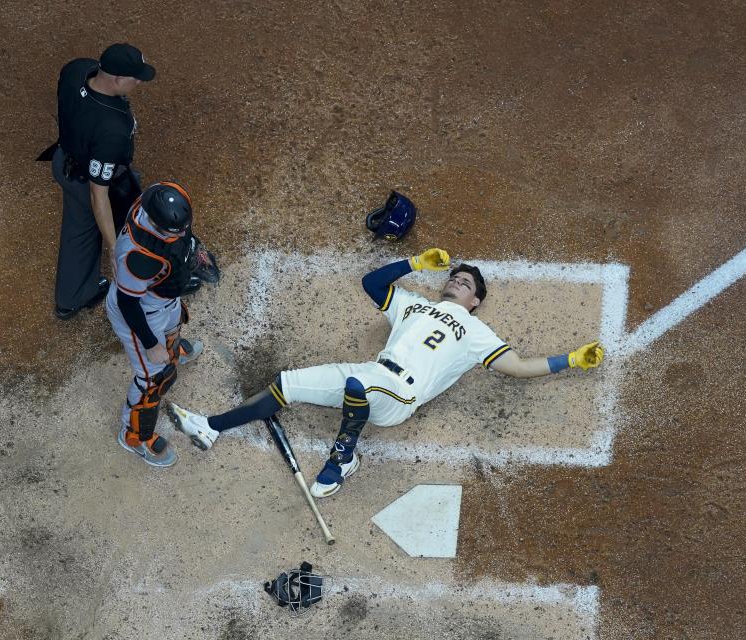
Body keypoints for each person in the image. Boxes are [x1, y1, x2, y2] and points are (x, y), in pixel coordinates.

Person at [167, 248, 605, 495]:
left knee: (360, 384)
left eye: (467, 284)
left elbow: (519, 366)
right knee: (287, 383)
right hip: (373, 374)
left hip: (400, 396)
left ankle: (343, 460)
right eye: (455, 277)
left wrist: (570, 359)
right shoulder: (414, 304)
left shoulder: (475, 331)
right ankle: (210, 426)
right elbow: (372, 285)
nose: (457, 281)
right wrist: (415, 263)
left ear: (475, 302)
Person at [107, 181, 215, 466]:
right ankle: (134, 436)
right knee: (154, 378)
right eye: (175, 231)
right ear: (155, 222)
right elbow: (128, 304)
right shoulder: (138, 256)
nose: (181, 233)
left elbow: (180, 236)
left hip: (161, 298)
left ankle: (172, 349)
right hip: (141, 310)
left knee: (176, 323)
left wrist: (193, 253)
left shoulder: (161, 194)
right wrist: (151, 345)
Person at [50, 43, 155, 320]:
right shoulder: (113, 129)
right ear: (118, 78)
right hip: (91, 182)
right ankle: (159, 275)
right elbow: (99, 196)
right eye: (136, 78)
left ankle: (71, 298)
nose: (139, 83)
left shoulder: (77, 69)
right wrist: (112, 246)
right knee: (134, 221)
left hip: (64, 162)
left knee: (78, 230)